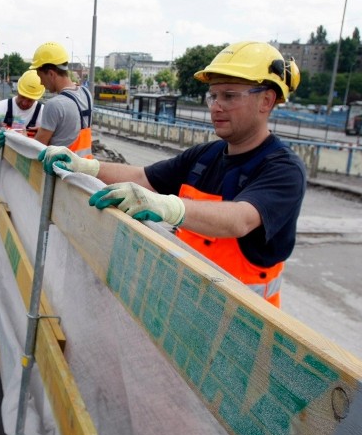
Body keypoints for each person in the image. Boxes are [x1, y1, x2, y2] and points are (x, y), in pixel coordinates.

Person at [38, 41, 305, 307]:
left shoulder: (283, 169)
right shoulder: (206, 156)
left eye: (230, 96)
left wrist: (167, 206)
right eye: (214, 96)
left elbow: (239, 220)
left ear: (266, 100)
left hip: (244, 330)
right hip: (185, 311)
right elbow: (144, 178)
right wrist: (88, 167)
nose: (216, 106)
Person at [28, 41, 94, 157]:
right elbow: (72, 129)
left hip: (61, 172)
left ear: (51, 74)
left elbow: (37, 149)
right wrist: (50, 129)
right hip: (84, 169)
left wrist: (22, 137)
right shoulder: (86, 94)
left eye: (40, 76)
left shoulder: (54, 104)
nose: (41, 82)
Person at [0, 70, 45, 149]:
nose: (24, 103)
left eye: (30, 100)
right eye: (22, 97)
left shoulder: (44, 113)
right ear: (18, 90)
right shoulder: (0, 108)